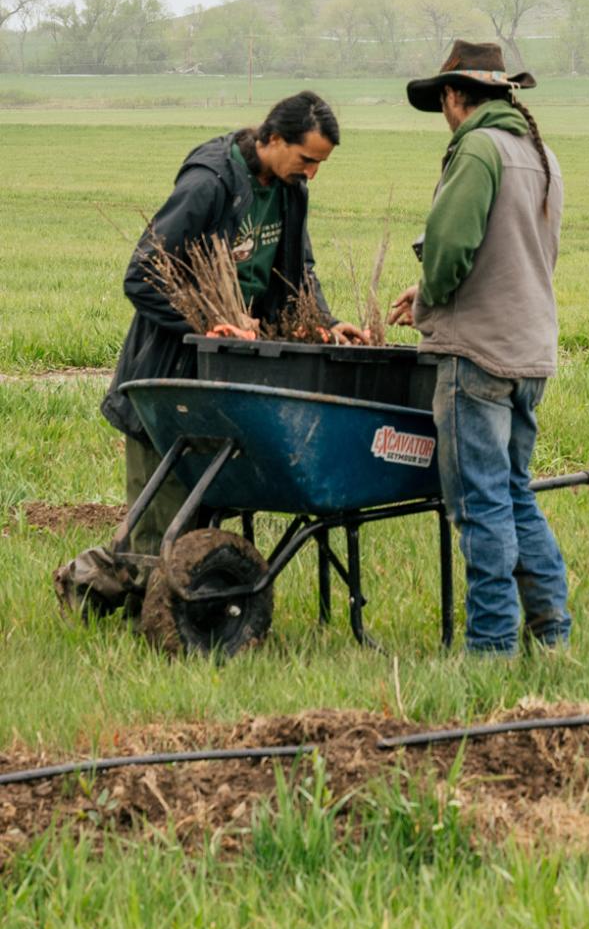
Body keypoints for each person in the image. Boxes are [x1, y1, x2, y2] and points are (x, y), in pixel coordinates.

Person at [56, 89, 362, 611]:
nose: (312, 173)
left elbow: (296, 272)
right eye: (307, 159)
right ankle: (87, 588)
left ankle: (179, 614)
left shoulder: (290, 190)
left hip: (226, 378)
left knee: (197, 517)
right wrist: (205, 322)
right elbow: (143, 273)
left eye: (320, 164)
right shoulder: (210, 182)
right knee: (154, 536)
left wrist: (325, 323)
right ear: (271, 138)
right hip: (170, 376)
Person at [390, 39, 569, 655]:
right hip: (529, 349)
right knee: (516, 492)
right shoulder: (537, 152)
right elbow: (511, 254)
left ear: (453, 97)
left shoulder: (475, 149)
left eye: (442, 102)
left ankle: (490, 648)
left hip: (478, 356)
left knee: (480, 504)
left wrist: (428, 295)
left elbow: (450, 251)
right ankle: (552, 635)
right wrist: (430, 288)